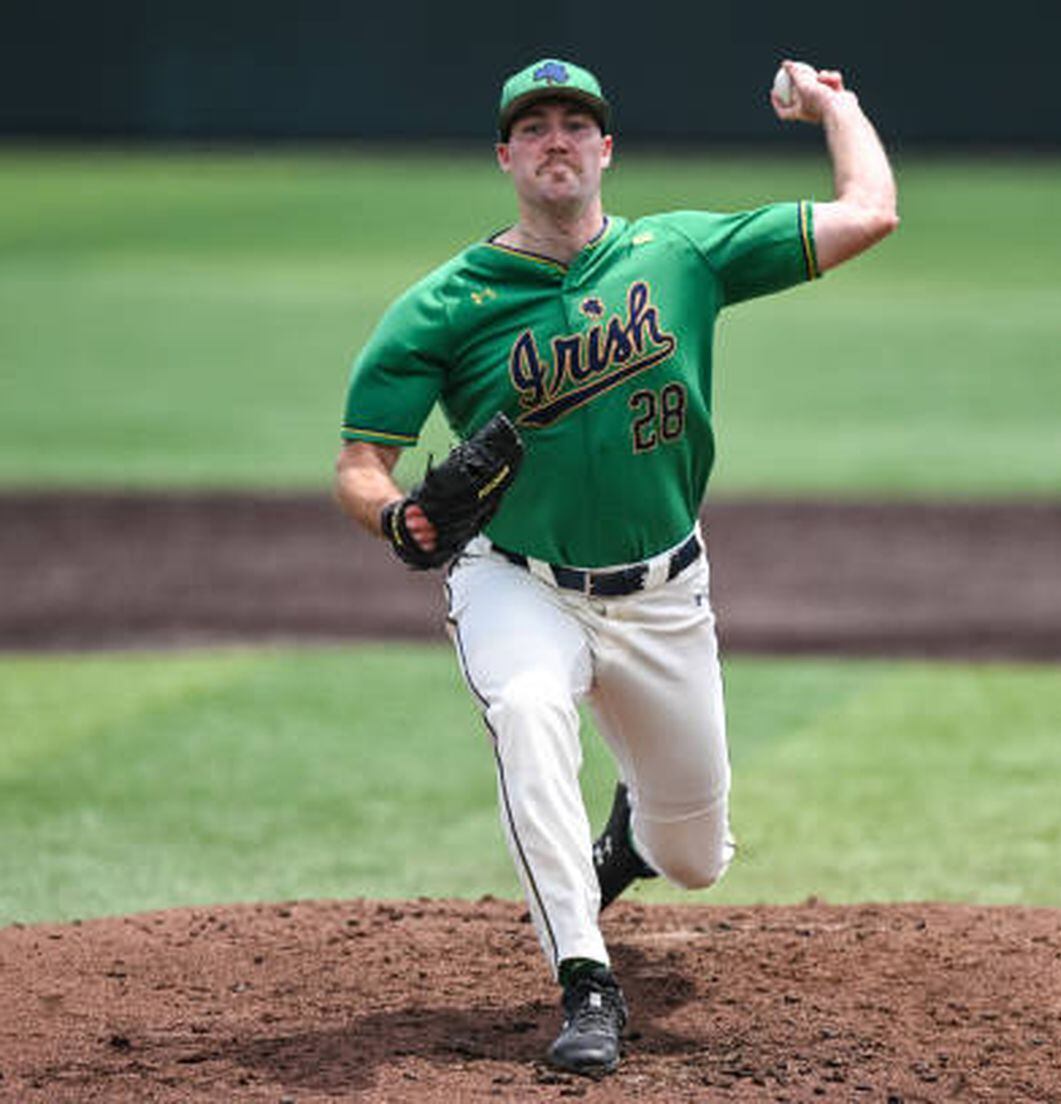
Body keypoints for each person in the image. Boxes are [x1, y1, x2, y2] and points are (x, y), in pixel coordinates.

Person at [333, 55, 897, 1075]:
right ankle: (585, 981)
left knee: (696, 859)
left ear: (605, 149)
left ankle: (633, 838)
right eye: (534, 126)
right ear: (505, 154)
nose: (556, 140)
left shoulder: (679, 253)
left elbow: (868, 213)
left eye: (574, 124)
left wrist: (836, 106)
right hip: (517, 579)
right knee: (528, 714)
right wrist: (396, 521)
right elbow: (360, 462)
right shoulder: (445, 303)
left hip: (664, 592)